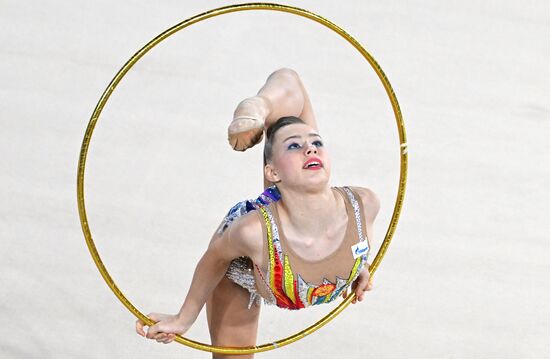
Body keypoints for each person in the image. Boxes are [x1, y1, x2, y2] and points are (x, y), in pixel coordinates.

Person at [135, 68, 380, 358]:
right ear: (270, 172)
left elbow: (361, 240)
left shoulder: (364, 204)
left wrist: (358, 262)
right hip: (247, 266)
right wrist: (183, 318)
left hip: (289, 218)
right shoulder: (250, 232)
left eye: (318, 143)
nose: (311, 150)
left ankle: (261, 108)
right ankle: (260, 109)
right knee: (289, 114)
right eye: (297, 147)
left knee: (292, 103)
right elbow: (213, 258)